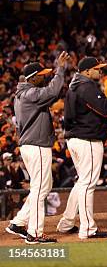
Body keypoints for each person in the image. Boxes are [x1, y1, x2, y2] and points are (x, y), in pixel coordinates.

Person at [56, 56, 107, 239]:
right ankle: (88, 228)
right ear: (87, 71)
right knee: (88, 184)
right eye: (97, 69)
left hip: (76, 138)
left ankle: (66, 222)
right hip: (87, 140)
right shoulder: (86, 86)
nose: (100, 71)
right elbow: (106, 108)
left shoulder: (75, 86)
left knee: (82, 181)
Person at [5, 52, 70, 244]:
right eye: (42, 74)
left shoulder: (23, 94)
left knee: (42, 187)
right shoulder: (29, 94)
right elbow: (53, 91)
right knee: (41, 189)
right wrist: (60, 69)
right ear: (33, 77)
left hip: (32, 145)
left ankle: (18, 222)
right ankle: (34, 232)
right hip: (36, 146)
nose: (45, 76)